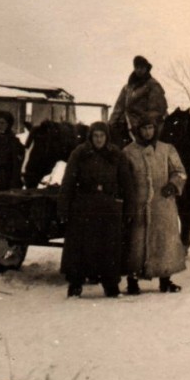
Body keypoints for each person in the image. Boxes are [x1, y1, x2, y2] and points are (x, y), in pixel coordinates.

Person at [59, 122, 134, 298]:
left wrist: (129, 209)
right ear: (90, 137)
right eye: (95, 136)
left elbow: (127, 184)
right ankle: (75, 284)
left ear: (107, 137)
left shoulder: (117, 155)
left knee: (110, 248)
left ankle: (110, 285)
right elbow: (68, 182)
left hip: (109, 208)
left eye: (102, 136)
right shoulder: (80, 153)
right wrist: (63, 207)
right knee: (80, 248)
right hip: (83, 208)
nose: (99, 140)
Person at [123, 114, 187, 294]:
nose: (148, 132)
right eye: (144, 128)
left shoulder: (167, 149)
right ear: (138, 130)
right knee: (136, 244)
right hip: (139, 205)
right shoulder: (129, 152)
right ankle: (133, 280)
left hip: (163, 205)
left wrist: (173, 185)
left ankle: (165, 279)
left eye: (150, 128)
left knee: (164, 241)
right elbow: (123, 179)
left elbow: (180, 172)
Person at [109, 55, 168, 145]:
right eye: (137, 67)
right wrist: (110, 124)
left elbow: (156, 109)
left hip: (144, 126)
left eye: (142, 67)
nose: (139, 70)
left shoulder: (153, 86)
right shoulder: (128, 88)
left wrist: (143, 124)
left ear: (146, 69)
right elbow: (119, 107)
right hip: (126, 123)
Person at [0, 110, 25, 191]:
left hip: (7, 181)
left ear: (9, 125)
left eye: (3, 123)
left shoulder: (13, 141)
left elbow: (16, 165)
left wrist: (14, 184)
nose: (0, 126)